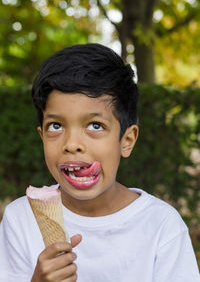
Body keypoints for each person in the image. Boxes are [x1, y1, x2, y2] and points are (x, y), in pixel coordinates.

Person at [0, 43, 199, 282]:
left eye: (95, 125)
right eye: (56, 126)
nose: (72, 144)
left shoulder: (161, 226)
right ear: (42, 135)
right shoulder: (20, 220)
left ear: (126, 141)